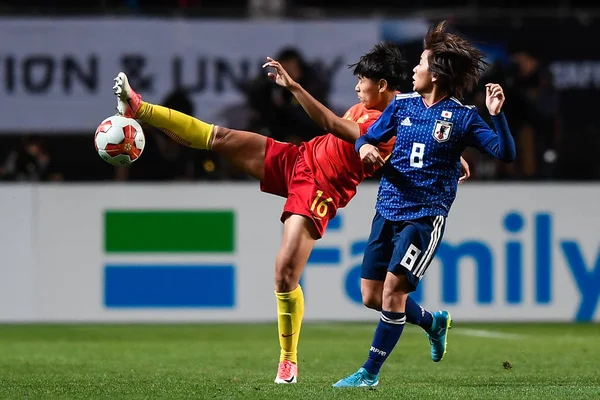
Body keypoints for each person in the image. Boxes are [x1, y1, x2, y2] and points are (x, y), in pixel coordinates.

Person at [112, 42, 469, 385]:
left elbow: (332, 123)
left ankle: (288, 359)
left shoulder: (385, 127)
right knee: (219, 138)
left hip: (319, 192)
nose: (357, 87)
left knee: (286, 276)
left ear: (381, 85)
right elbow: (430, 122)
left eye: (362, 81)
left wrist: (295, 87)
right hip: (298, 159)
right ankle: (138, 108)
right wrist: (452, 152)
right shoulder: (401, 108)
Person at [333, 21, 516, 388]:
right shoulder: (403, 107)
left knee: (393, 291)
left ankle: (368, 374)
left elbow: (504, 153)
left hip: (423, 217)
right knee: (371, 296)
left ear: (435, 74)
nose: (414, 68)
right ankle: (434, 323)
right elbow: (367, 137)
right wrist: (364, 147)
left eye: (420, 62)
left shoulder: (464, 117)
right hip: (387, 209)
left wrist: (496, 115)